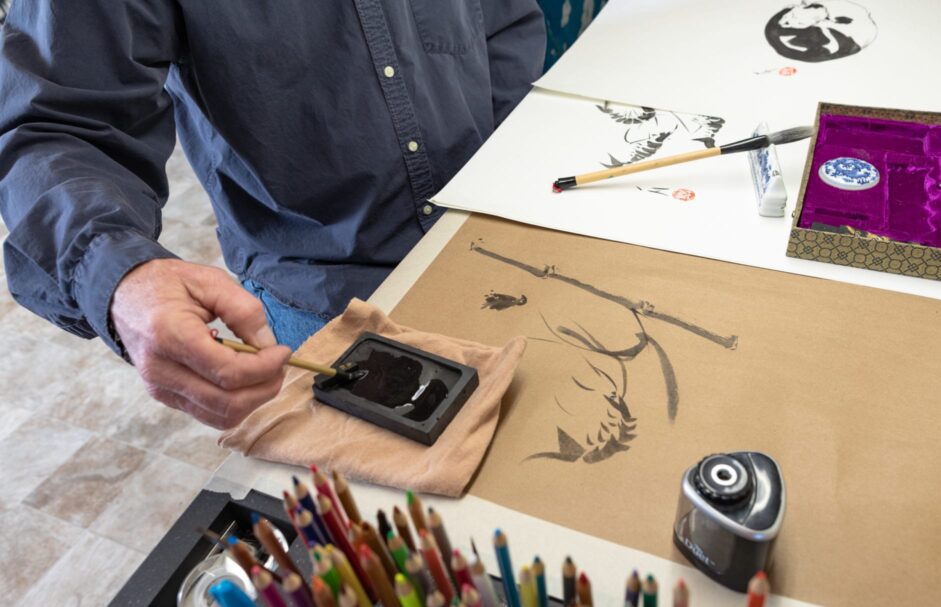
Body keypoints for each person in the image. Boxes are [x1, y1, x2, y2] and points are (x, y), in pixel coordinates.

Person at [0, 1, 545, 428]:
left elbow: (503, 22)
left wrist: (508, 173)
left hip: (496, 236)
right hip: (328, 297)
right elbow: (54, 124)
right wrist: (118, 273)